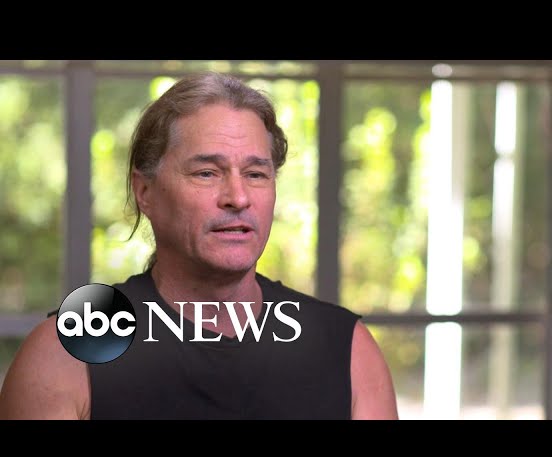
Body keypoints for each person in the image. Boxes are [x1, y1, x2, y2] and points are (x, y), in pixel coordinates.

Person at [0, 72, 398, 420]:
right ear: (145, 192)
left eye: (256, 174)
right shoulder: (68, 351)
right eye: (207, 173)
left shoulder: (348, 351)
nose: (238, 197)